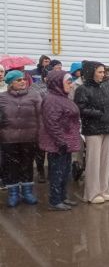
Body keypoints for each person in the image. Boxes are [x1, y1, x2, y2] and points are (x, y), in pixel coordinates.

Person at [74, 61, 109, 204]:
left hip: (107, 127)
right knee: (93, 162)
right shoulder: (82, 89)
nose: (103, 75)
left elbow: (108, 104)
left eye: (103, 72)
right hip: (92, 129)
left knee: (105, 162)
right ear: (91, 73)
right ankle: (92, 193)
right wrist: (99, 114)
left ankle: (103, 190)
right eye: (100, 72)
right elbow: (80, 109)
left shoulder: (104, 87)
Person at [39, 70, 82, 211]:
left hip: (65, 141)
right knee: (57, 172)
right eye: (68, 82)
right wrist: (61, 141)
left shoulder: (63, 97)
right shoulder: (51, 99)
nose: (70, 84)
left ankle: (62, 197)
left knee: (65, 172)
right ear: (57, 83)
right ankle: (55, 200)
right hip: (57, 143)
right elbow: (52, 123)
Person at [0, 70, 42, 207]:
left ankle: (27, 192)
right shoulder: (2, 98)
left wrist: (40, 133)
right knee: (11, 167)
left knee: (27, 165)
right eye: (19, 80)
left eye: (24, 79)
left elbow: (40, 116)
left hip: (29, 138)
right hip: (9, 139)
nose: (23, 81)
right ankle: (13, 194)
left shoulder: (34, 96)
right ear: (11, 83)